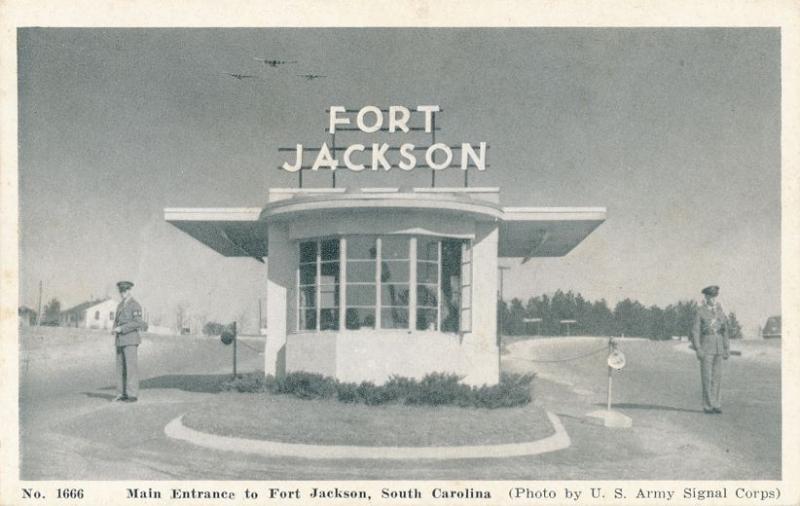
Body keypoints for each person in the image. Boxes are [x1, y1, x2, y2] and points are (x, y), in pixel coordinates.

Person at [690, 285, 730, 414]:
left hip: (718, 348)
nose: (713, 299)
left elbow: (724, 331)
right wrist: (698, 348)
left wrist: (726, 347)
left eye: (715, 297)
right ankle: (708, 405)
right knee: (707, 378)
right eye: (710, 297)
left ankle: (716, 404)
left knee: (717, 378)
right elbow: (695, 331)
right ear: (706, 297)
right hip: (706, 347)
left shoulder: (720, 312)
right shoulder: (700, 311)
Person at [112, 281, 147, 403]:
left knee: (131, 368)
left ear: (129, 290)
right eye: (121, 291)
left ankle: (132, 394)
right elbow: (117, 320)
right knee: (120, 368)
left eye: (125, 291)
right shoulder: (120, 305)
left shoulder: (135, 305)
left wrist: (122, 328)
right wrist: (114, 329)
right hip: (120, 340)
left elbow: (138, 323)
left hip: (130, 339)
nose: (122, 293)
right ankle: (121, 393)